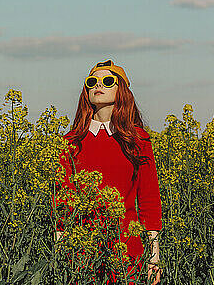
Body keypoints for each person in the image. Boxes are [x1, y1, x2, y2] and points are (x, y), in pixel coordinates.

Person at [52, 59, 162, 285]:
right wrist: (60, 246)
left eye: (107, 81)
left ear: (121, 90)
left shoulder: (138, 140)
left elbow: (149, 199)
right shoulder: (70, 141)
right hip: (82, 250)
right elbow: (62, 199)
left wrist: (153, 255)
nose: (97, 86)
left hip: (127, 247)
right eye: (91, 82)